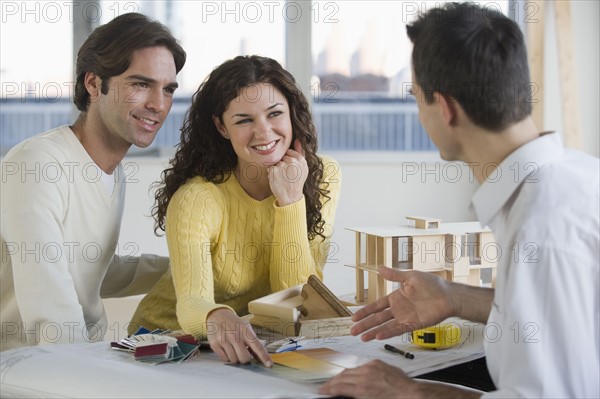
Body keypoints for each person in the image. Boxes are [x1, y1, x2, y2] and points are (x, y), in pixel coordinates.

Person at [320, 2, 599, 398]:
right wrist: (456, 298)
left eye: (418, 99)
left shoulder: (541, 226)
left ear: (446, 108)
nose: (420, 115)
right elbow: (566, 319)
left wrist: (411, 393)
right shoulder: (577, 177)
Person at [128, 55, 341, 367]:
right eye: (244, 120)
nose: (264, 132)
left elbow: (297, 297)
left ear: (293, 113)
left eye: (275, 114)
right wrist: (219, 315)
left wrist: (290, 201)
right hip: (163, 343)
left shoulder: (323, 176)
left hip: (245, 344)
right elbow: (192, 306)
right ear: (221, 127)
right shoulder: (198, 198)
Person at [0, 13, 186, 351]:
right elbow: (51, 313)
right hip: (24, 367)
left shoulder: (114, 172)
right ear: (93, 84)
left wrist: (189, 268)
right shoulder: (38, 164)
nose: (159, 105)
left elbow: (93, 266)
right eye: (140, 84)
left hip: (82, 357)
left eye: (168, 89)